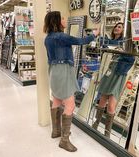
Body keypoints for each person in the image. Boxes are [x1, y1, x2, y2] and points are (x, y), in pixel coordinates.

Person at [43, 11, 99, 152]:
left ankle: (56, 131)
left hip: (54, 71)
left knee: (56, 99)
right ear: (56, 21)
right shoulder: (61, 36)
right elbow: (81, 41)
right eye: (62, 17)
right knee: (70, 105)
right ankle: (64, 140)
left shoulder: (48, 38)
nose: (64, 19)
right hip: (64, 71)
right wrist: (94, 34)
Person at [92, 22, 135, 138]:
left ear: (123, 30)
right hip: (108, 72)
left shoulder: (125, 42)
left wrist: (121, 52)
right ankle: (96, 123)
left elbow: (131, 58)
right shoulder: (110, 41)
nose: (116, 28)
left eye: (120, 27)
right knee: (102, 100)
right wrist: (99, 32)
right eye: (116, 26)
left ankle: (107, 132)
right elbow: (103, 44)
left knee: (111, 105)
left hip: (118, 74)